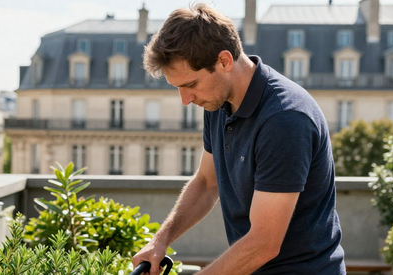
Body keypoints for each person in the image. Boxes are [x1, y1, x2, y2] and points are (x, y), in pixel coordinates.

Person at [132, 3, 346, 275]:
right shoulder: (217, 102)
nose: (186, 100)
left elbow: (263, 244)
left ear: (224, 61)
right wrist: (160, 240)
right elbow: (207, 183)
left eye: (190, 85)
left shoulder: (285, 119)